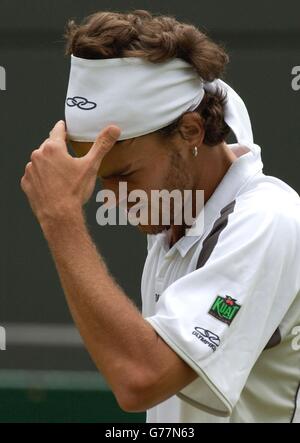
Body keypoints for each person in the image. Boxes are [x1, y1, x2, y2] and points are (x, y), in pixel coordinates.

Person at [21, 10, 300, 423]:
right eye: (105, 180)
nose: (114, 200)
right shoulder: (177, 214)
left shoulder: (269, 220)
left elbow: (140, 378)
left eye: (125, 176)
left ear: (191, 132)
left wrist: (60, 219)